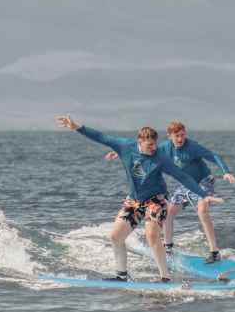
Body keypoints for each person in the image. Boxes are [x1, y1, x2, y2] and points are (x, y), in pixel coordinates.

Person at [55, 115, 224, 282]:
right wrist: (76, 127)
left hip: (156, 199)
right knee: (115, 236)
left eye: (155, 144)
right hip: (135, 200)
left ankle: (165, 277)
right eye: (149, 145)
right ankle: (122, 275)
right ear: (140, 142)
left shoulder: (160, 158)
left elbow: (183, 177)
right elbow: (101, 137)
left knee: (152, 235)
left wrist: (204, 195)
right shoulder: (125, 146)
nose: (153, 148)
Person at [106, 121, 235, 263]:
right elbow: (141, 152)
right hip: (185, 185)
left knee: (202, 210)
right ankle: (168, 248)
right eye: (177, 136)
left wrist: (227, 172)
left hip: (203, 181)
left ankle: (214, 252)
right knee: (168, 212)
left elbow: (214, 156)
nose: (180, 139)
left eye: (182, 135)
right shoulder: (163, 148)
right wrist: (119, 153)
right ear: (169, 136)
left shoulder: (192, 147)